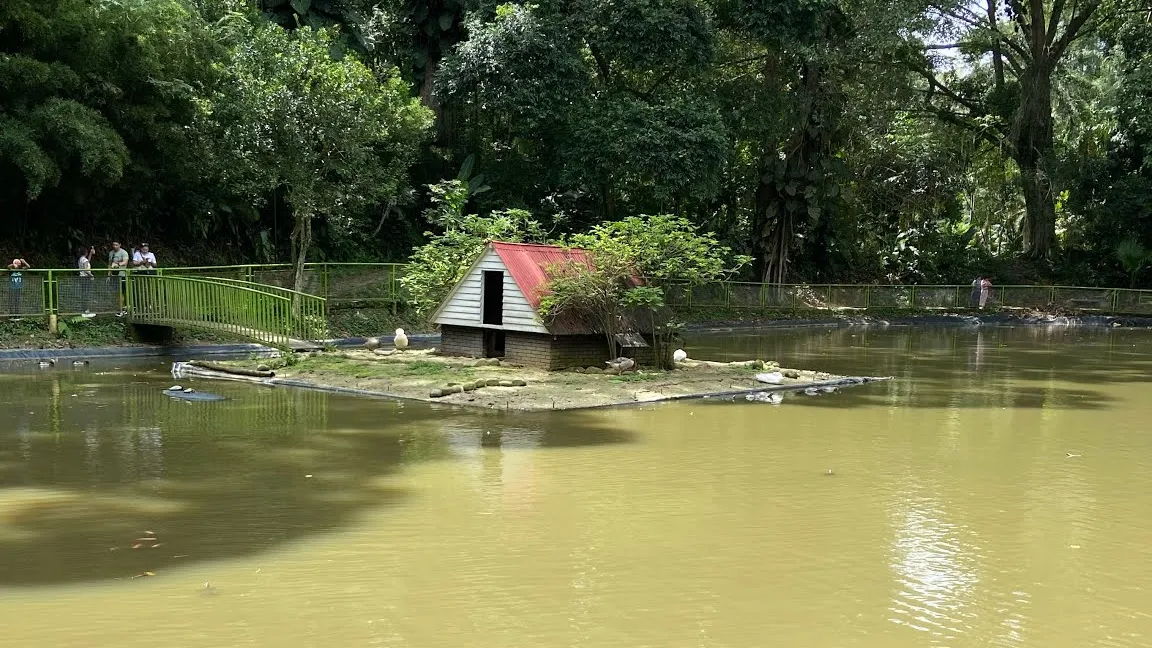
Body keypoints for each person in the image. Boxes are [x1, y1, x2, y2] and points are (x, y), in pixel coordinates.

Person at [108, 241, 129, 314]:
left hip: (122, 275)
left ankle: (126, 306)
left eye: (116, 245)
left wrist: (117, 264)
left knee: (124, 292)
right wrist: (109, 274)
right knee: (117, 292)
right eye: (113, 245)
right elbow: (109, 264)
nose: (114, 246)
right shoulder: (111, 253)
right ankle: (119, 307)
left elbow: (125, 262)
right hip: (114, 276)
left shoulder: (124, 252)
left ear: (120, 245)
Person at [78, 245, 95, 317]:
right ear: (85, 252)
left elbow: (88, 262)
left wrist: (91, 253)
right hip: (86, 278)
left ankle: (84, 309)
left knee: (84, 293)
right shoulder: (84, 260)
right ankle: (86, 310)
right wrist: (91, 275)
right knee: (87, 294)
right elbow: (86, 269)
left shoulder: (81, 259)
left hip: (82, 277)